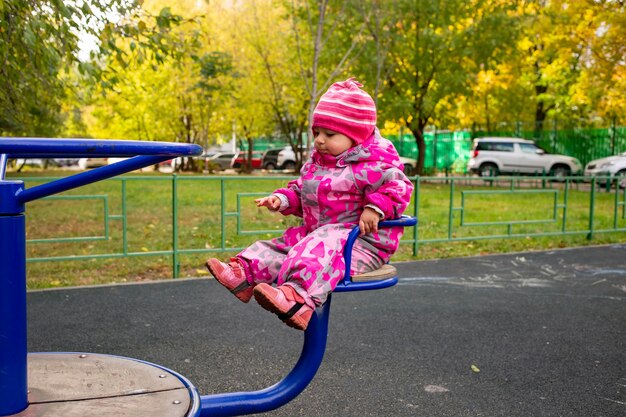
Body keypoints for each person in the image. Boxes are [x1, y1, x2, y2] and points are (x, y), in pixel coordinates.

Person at [206, 78, 414, 331]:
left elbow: (398, 187)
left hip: (360, 244)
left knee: (316, 247)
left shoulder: (375, 166)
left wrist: (375, 207)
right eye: (317, 133)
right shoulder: (317, 165)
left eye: (330, 134)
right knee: (284, 245)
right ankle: (244, 275)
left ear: (355, 137)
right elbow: (301, 189)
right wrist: (282, 199)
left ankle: (297, 300)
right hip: (319, 236)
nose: (320, 140)